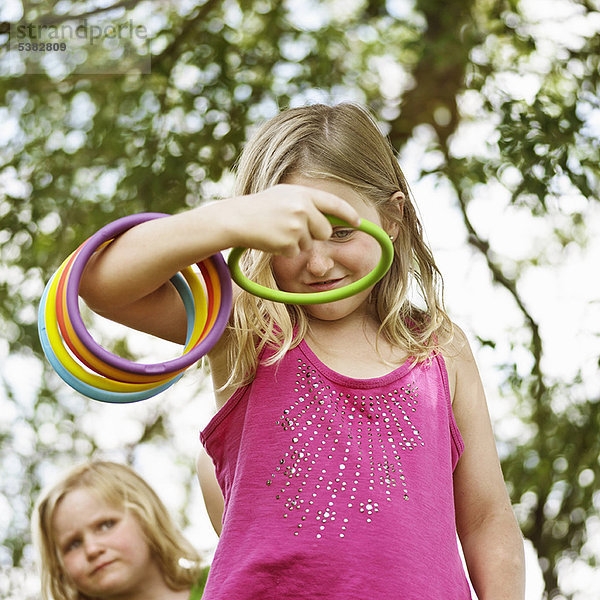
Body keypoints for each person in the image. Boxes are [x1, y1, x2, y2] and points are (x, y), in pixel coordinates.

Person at [79, 103, 526, 599]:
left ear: (393, 218)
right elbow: (100, 284)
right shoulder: (248, 327)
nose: (317, 262)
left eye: (340, 232)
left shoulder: (438, 347)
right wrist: (229, 220)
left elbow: (487, 518)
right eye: (294, 239)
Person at [32, 460, 209, 600]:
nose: (92, 550)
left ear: (146, 517)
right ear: (58, 567)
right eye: (73, 544)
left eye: (106, 525)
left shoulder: (223, 579)